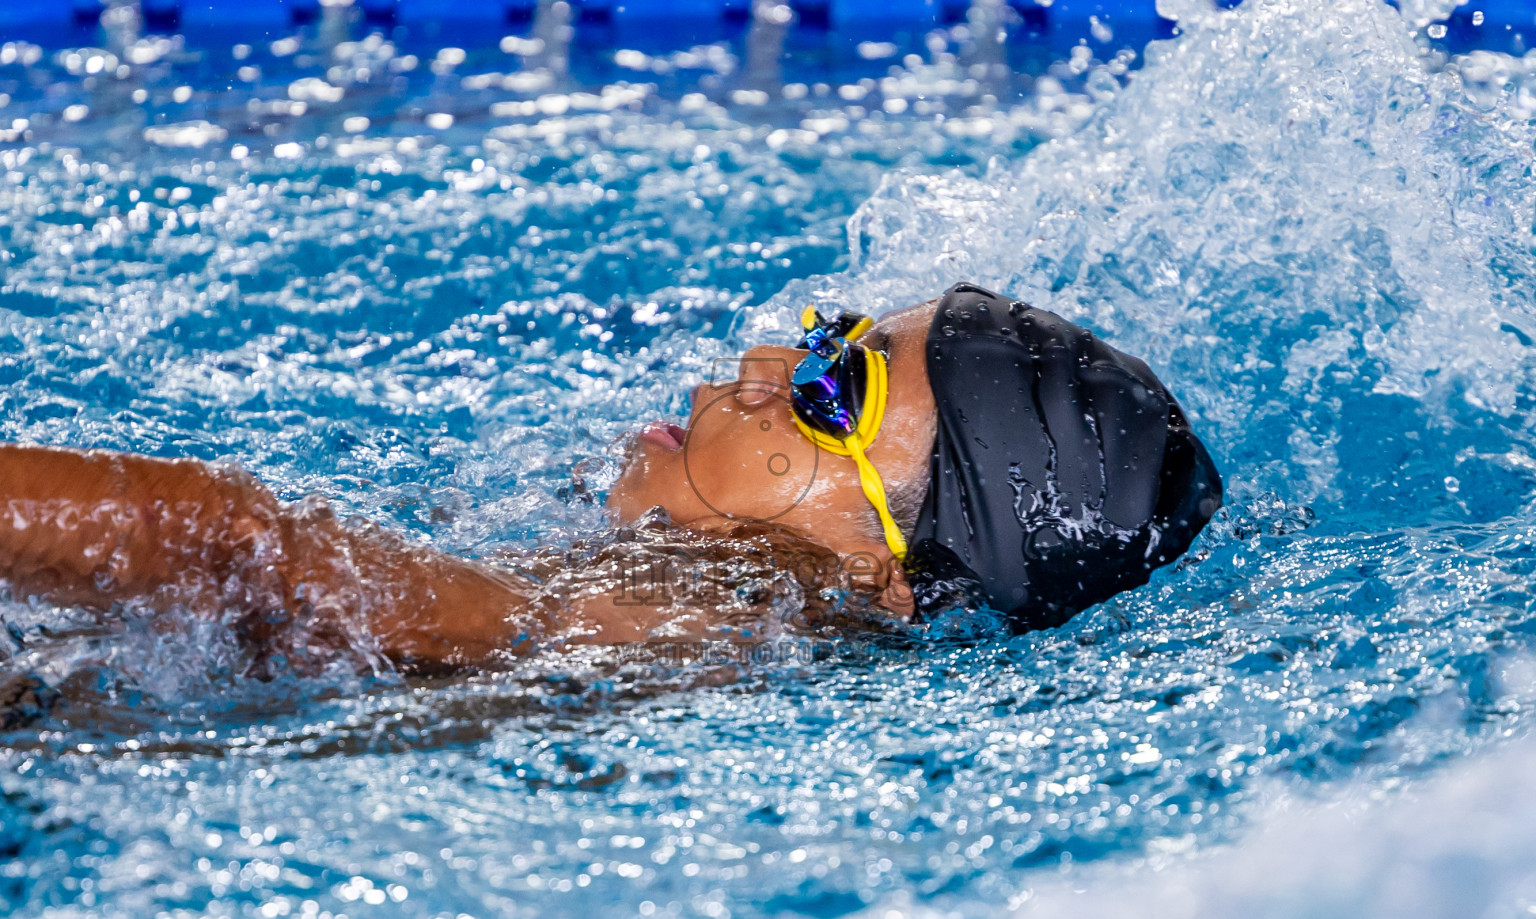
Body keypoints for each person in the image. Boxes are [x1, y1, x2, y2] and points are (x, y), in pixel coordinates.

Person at [0, 283, 1221, 675]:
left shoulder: (725, 612)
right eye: (823, 333)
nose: (761, 365)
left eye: (834, 386)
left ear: (893, 570)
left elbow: (237, 544)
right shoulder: (726, 592)